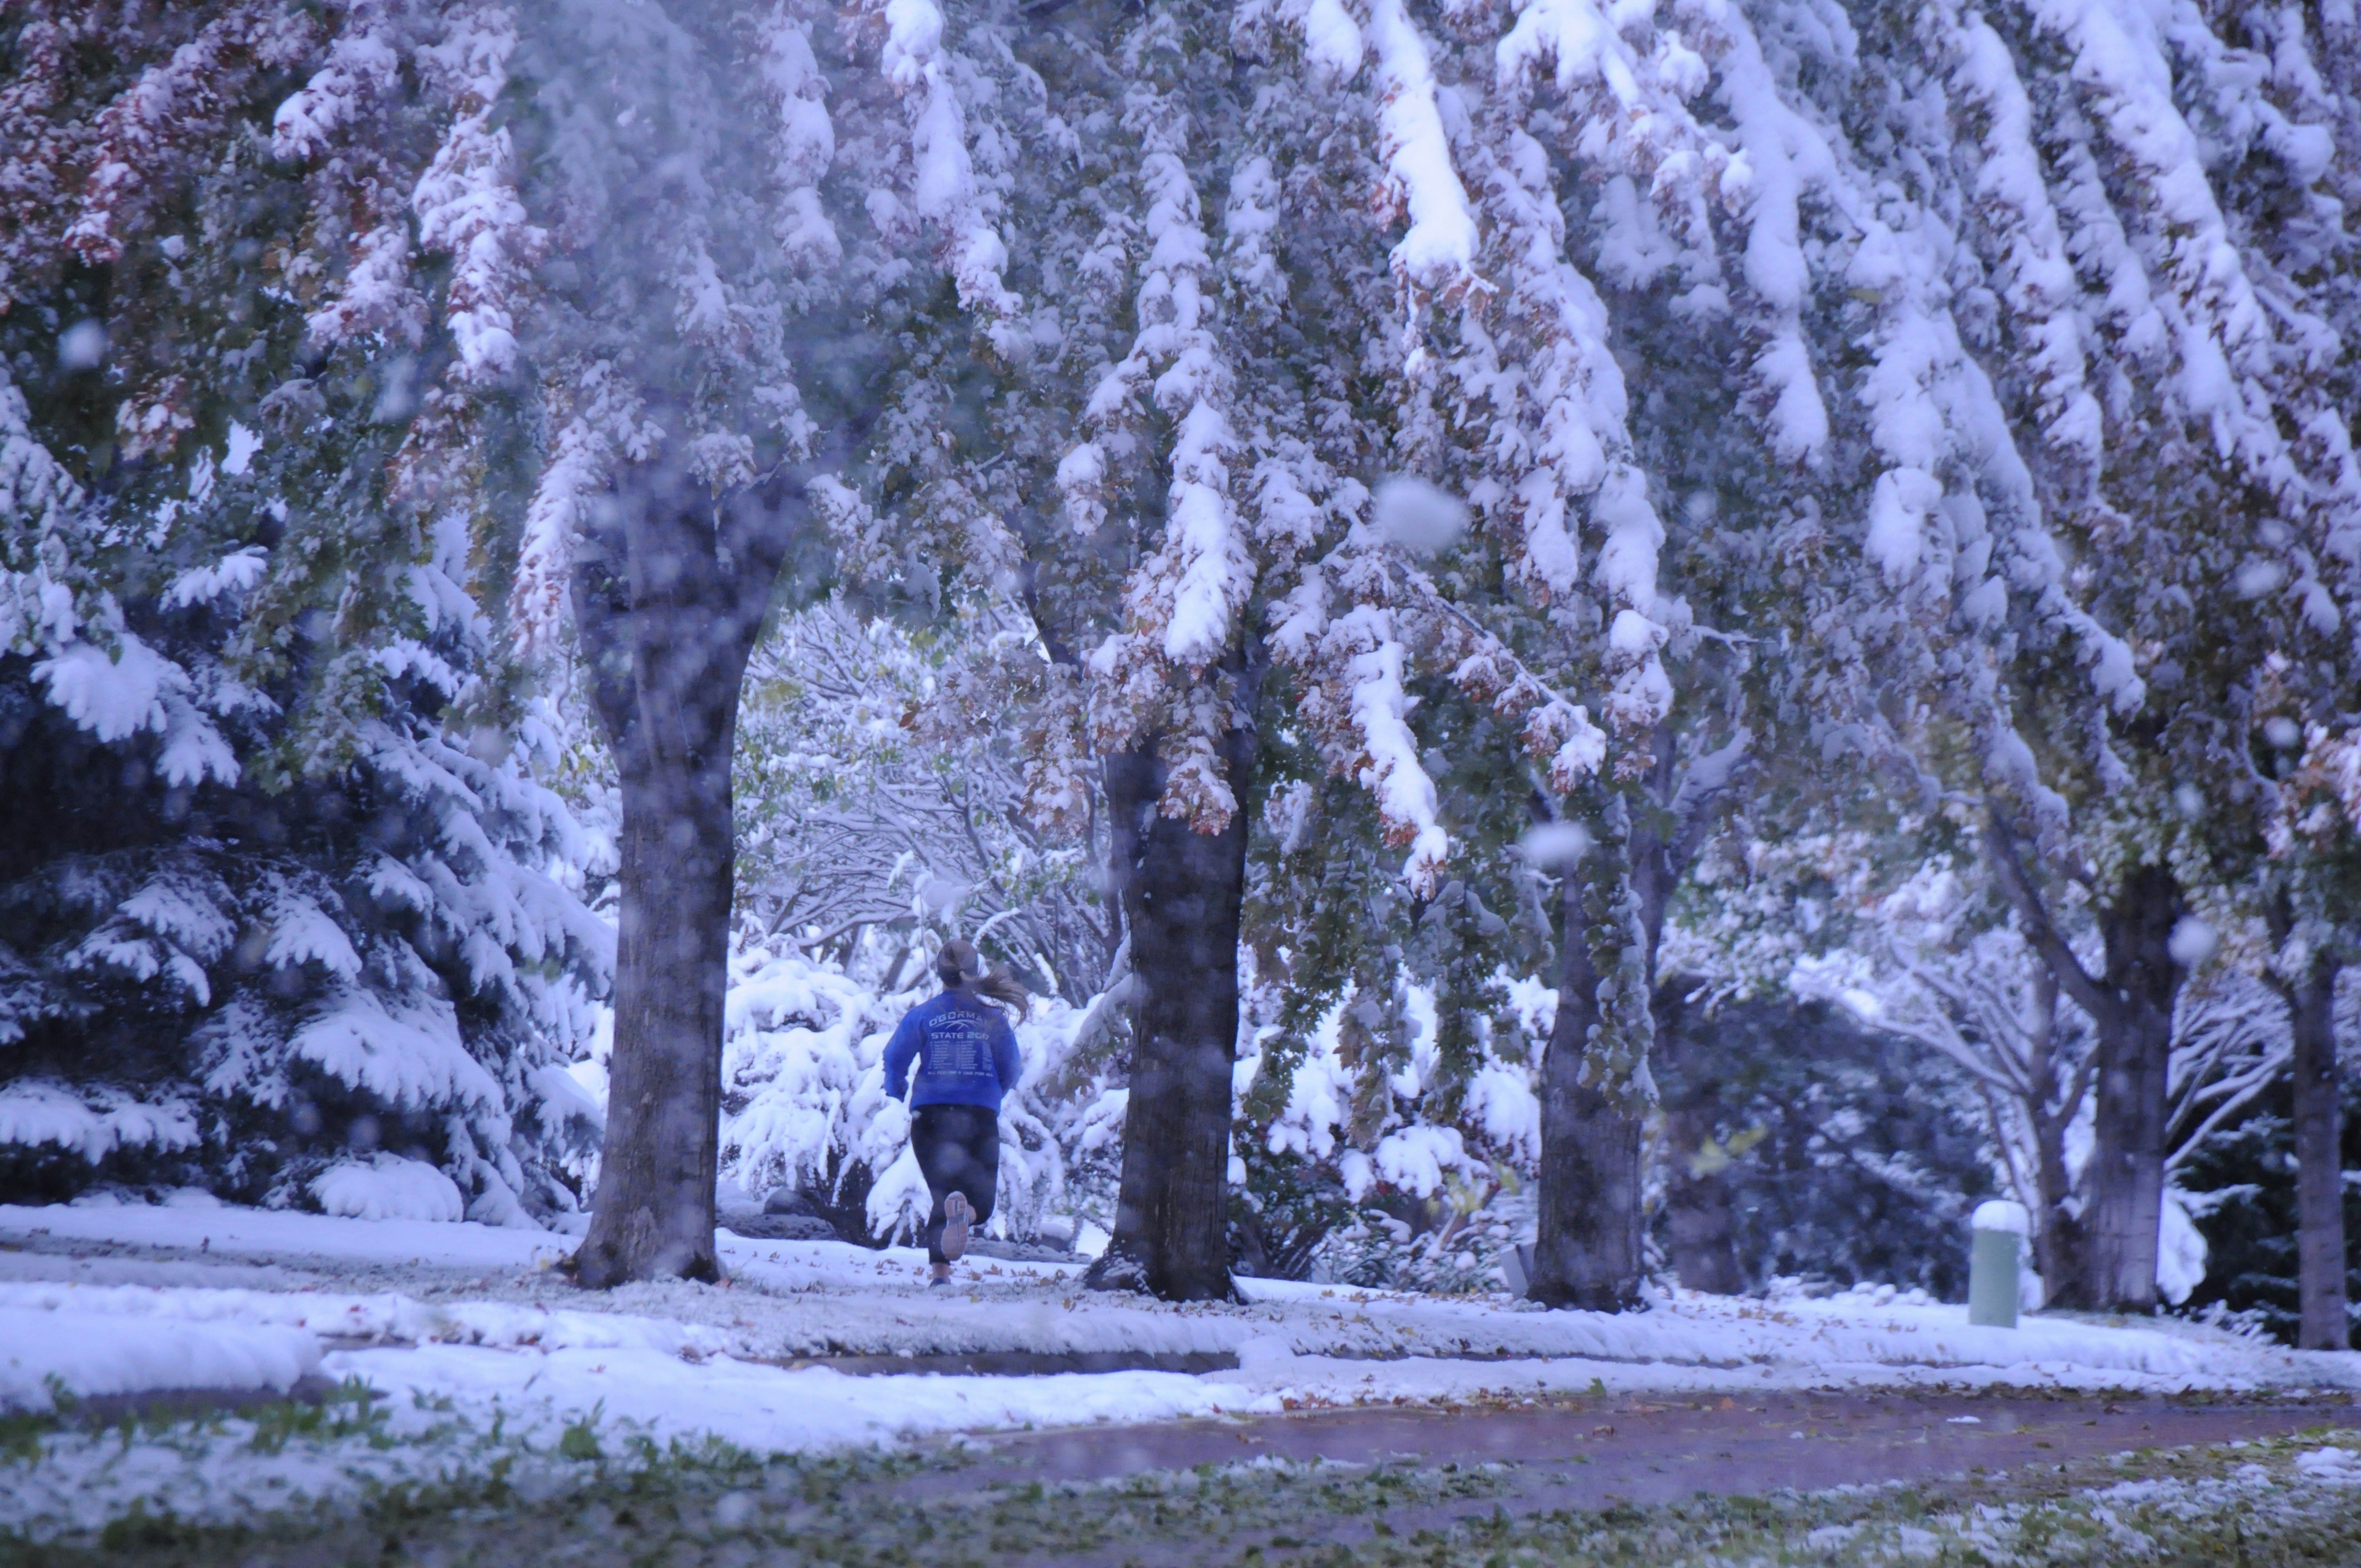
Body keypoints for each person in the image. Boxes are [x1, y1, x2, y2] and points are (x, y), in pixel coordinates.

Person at [880, 938, 1027, 1287]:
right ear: (975, 973)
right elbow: (1012, 1068)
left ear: (940, 974)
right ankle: (968, 1216)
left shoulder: (923, 1015)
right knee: (980, 1203)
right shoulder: (993, 1018)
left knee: (943, 1197)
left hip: (929, 1118)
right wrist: (994, 1094)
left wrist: (897, 1090)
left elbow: (894, 1059)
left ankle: (940, 1277)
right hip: (978, 1116)